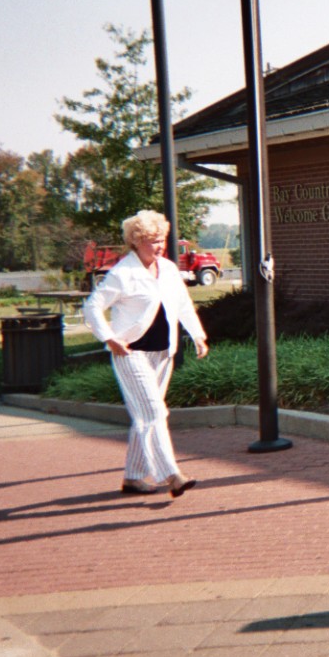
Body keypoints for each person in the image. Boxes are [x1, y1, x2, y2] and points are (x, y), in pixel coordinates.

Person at [84, 210, 209, 497]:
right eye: (153, 240)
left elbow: (182, 303)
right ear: (136, 241)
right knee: (154, 411)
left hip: (163, 352)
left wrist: (197, 334)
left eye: (161, 239)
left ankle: (133, 477)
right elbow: (92, 306)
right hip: (131, 354)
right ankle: (171, 475)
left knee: (145, 414)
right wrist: (109, 338)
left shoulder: (168, 269)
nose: (159, 245)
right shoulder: (122, 273)